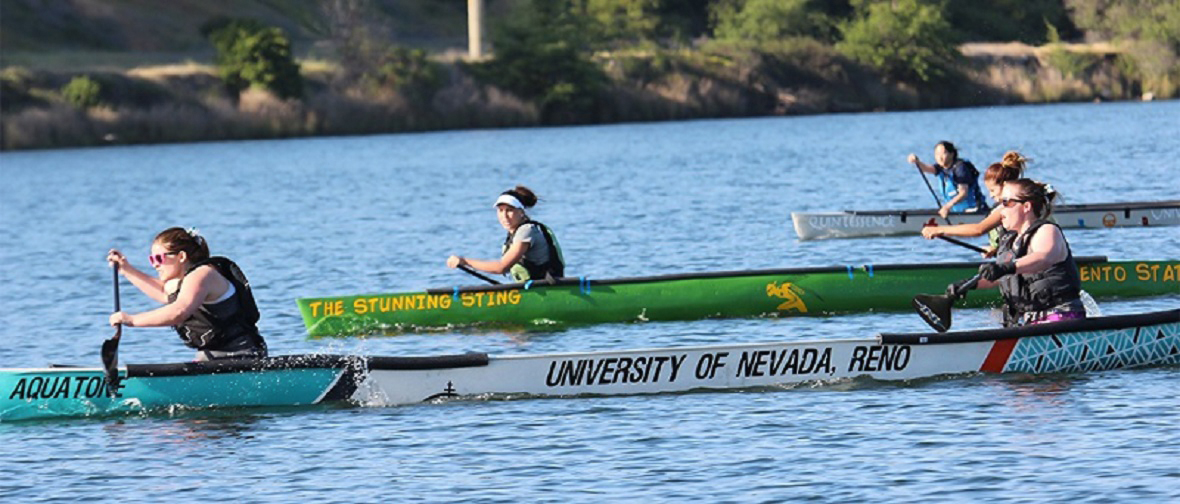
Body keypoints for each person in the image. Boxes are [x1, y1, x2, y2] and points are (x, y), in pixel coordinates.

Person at [107, 227, 267, 361]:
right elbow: (163, 292)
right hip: (212, 357)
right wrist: (126, 270)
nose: (155, 265)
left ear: (181, 256)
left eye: (159, 258)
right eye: (152, 259)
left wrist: (132, 320)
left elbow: (179, 311)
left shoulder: (203, 275)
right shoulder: (180, 282)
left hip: (244, 356)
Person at [955, 179, 1086, 327]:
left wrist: (1004, 268)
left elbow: (1044, 257)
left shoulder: (1047, 231)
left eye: (1006, 202)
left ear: (1026, 207)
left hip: (1062, 318)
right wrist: (968, 285)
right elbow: (1002, 277)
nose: (1000, 210)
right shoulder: (1010, 241)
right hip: (1030, 322)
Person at [447, 186, 565, 283]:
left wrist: (465, 262)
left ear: (521, 212)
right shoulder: (514, 234)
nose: (504, 216)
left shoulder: (527, 231)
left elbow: (502, 267)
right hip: (534, 289)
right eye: (500, 210)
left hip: (548, 289)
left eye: (510, 210)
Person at [921, 151, 1030, 256]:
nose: (991, 195)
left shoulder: (1007, 208)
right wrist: (995, 249)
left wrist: (939, 229)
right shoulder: (1015, 204)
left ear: (1005, 185)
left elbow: (978, 229)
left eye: (993, 190)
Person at [908, 141, 988, 218]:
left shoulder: (960, 168)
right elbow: (926, 168)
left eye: (943, 153)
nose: (940, 157)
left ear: (952, 154)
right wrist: (917, 162)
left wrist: (947, 207)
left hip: (974, 210)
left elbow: (963, 193)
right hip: (957, 212)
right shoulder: (940, 168)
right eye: (937, 154)